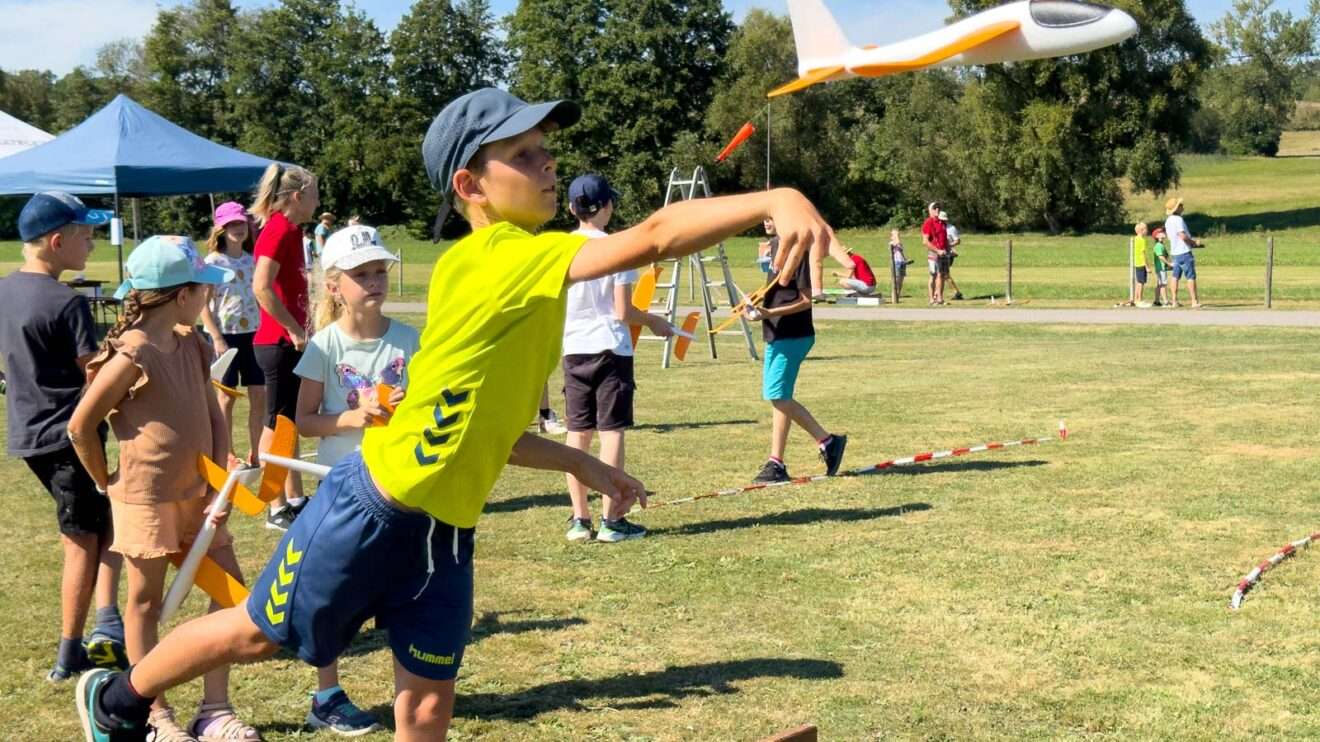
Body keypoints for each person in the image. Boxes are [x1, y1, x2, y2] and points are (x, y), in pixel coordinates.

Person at [75, 86, 832, 742]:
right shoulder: (497, 256)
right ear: (471, 183)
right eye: (526, 155)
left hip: (445, 534)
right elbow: (654, 236)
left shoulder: (530, 273)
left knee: (428, 708)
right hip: (370, 512)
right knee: (254, 636)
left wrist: (581, 461)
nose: (549, 166)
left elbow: (485, 427)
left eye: (547, 151)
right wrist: (775, 197)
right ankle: (119, 701)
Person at [68, 236, 261, 741]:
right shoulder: (132, 354)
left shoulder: (193, 344)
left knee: (234, 601)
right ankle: (154, 714)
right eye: (204, 289)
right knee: (146, 605)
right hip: (145, 503)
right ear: (181, 296)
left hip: (199, 499)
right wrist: (102, 481)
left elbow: (210, 411)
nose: (208, 299)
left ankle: (214, 710)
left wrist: (219, 474)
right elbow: (80, 426)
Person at [293, 224, 418, 735]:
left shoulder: (410, 339)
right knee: (334, 595)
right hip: (341, 489)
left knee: (400, 593)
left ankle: (410, 693)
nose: (373, 282)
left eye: (379, 272)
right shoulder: (323, 345)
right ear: (334, 286)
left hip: (400, 487)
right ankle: (326, 694)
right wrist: (350, 418)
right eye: (360, 274)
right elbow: (302, 420)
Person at [0, 192, 126, 682]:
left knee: (106, 522)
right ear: (57, 241)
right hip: (68, 438)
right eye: (85, 236)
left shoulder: (6, 290)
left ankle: (105, 622)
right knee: (83, 540)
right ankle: (69, 652)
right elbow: (94, 378)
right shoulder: (68, 302)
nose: (91, 245)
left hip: (30, 432)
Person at [561, 173, 673, 543]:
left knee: (577, 435)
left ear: (571, 209)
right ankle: (612, 520)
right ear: (606, 207)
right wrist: (654, 319)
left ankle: (580, 520)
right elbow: (623, 311)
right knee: (611, 433)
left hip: (573, 349)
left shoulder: (560, 250)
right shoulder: (619, 248)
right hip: (610, 349)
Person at [250, 163, 320, 531]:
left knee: (287, 425)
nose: (318, 202)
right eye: (314, 195)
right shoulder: (281, 229)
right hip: (277, 343)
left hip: (282, 341)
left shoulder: (288, 230)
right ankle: (275, 506)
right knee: (275, 426)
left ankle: (293, 499)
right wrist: (293, 329)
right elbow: (261, 286)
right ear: (298, 196)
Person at [749, 239, 848, 483]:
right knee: (778, 397)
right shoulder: (775, 246)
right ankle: (781, 460)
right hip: (775, 332)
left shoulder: (799, 251)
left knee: (778, 395)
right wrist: (757, 301)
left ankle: (822, 443)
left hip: (793, 334)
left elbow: (806, 300)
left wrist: (770, 312)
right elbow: (778, 291)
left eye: (771, 216)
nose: (766, 221)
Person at [199, 202, 267, 468]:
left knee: (258, 393)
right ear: (221, 229)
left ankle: (257, 450)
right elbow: (203, 305)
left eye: (240, 223)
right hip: (225, 336)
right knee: (226, 397)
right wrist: (216, 337)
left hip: (254, 334)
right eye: (231, 225)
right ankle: (227, 453)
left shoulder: (254, 260)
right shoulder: (212, 263)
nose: (237, 229)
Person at [1164, 197, 1203, 308]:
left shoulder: (1168, 221)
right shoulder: (1178, 219)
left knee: (1175, 276)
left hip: (1175, 252)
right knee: (1190, 276)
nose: (1183, 207)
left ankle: (1174, 301)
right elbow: (1182, 235)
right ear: (1176, 208)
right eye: (1180, 205)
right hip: (1184, 252)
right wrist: (1193, 243)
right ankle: (1194, 301)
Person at [921, 201, 949, 305]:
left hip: (943, 252)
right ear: (930, 210)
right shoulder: (928, 222)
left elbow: (945, 239)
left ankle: (940, 298)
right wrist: (937, 250)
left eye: (939, 208)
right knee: (934, 275)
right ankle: (932, 298)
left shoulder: (942, 223)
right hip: (934, 252)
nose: (937, 210)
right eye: (935, 208)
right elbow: (925, 241)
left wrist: (948, 249)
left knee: (942, 275)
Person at [1122, 222, 1153, 307]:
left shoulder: (1135, 239)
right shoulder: (1142, 240)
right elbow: (1143, 253)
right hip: (1141, 263)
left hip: (1137, 262)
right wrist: (1147, 267)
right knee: (1141, 282)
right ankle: (1139, 299)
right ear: (1141, 230)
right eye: (1146, 229)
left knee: (1139, 282)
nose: (1147, 231)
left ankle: (1136, 298)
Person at [939, 211, 965, 301]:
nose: (943, 221)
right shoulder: (937, 227)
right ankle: (955, 292)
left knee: (944, 274)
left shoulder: (951, 228)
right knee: (943, 274)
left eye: (944, 220)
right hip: (939, 253)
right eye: (941, 220)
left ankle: (956, 292)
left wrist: (949, 245)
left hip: (948, 254)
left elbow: (957, 241)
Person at [1151, 227, 1173, 307]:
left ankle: (1156, 301)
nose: (1164, 233)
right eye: (1161, 232)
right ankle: (1166, 301)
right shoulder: (1158, 246)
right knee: (1163, 284)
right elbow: (1161, 257)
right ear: (1157, 236)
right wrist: (1169, 264)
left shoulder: (1160, 245)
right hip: (1161, 268)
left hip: (1161, 268)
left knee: (1160, 284)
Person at [889, 229, 910, 300]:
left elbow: (901, 252)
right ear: (891, 236)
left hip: (902, 262)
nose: (898, 236)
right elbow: (897, 242)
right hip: (896, 262)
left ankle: (898, 294)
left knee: (901, 279)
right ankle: (894, 294)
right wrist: (896, 236)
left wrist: (905, 259)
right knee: (896, 279)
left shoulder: (900, 243)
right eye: (895, 235)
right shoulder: (891, 243)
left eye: (898, 234)